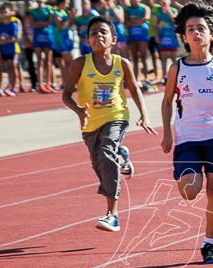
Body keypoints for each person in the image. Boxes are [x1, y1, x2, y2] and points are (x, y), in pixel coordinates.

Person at [160, 2, 213, 264]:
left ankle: (209, 243)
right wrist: (167, 133)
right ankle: (187, 182)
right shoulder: (177, 68)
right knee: (191, 191)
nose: (196, 33)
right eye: (190, 29)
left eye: (201, 28)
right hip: (187, 136)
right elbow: (167, 101)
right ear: (184, 36)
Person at [62, 15, 156, 231]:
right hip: (90, 124)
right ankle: (121, 155)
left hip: (116, 117)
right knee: (99, 164)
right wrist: (78, 110)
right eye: (93, 33)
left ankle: (112, 214)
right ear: (87, 40)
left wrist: (144, 115)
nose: (98, 36)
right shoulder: (80, 64)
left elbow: (134, 88)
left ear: (113, 39)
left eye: (102, 32)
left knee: (105, 156)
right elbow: (66, 95)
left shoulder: (121, 63)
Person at [28, 0, 55, 93]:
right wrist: (41, 24)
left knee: (48, 61)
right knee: (39, 61)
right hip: (38, 38)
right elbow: (33, 24)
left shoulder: (49, 9)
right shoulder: (32, 12)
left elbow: (49, 22)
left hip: (48, 37)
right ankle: (40, 83)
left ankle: (48, 84)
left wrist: (40, 23)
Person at [0, 3, 21, 97]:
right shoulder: (0, 25)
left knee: (11, 67)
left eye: (5, 12)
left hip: (11, 50)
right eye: (2, 12)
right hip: (3, 51)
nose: (4, 14)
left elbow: (13, 39)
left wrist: (0, 43)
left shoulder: (13, 24)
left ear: (10, 13)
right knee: (0, 68)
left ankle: (12, 88)